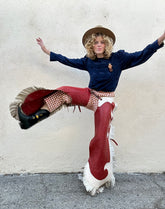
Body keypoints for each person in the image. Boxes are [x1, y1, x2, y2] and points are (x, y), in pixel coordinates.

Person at [9, 26, 165, 196]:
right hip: (91, 96)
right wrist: (47, 50)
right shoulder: (88, 61)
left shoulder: (119, 58)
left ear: (106, 45)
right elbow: (67, 60)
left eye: (102, 42)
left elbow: (143, 54)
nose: (99, 45)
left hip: (106, 101)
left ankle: (98, 176)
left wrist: (162, 37)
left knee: (100, 137)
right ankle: (31, 118)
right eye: (95, 43)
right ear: (92, 46)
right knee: (64, 92)